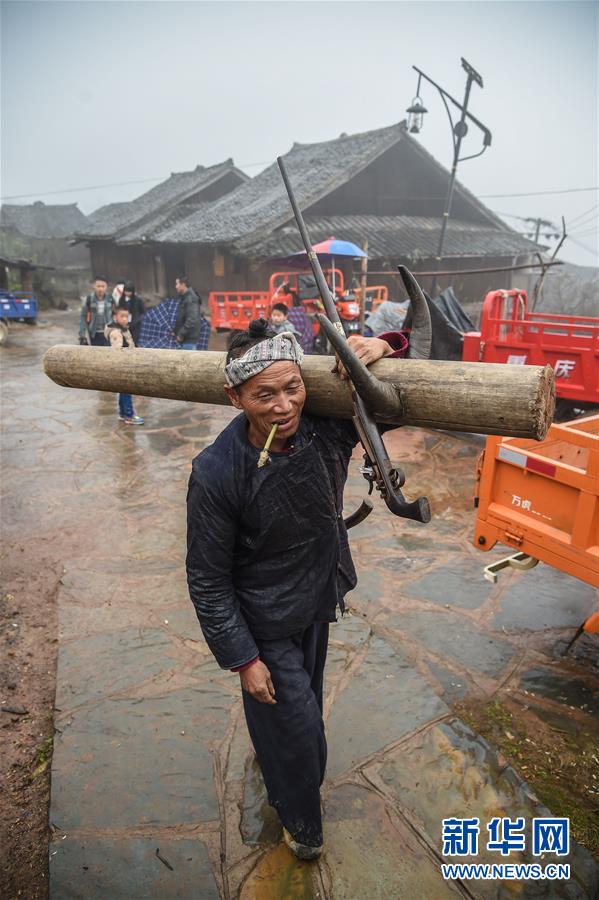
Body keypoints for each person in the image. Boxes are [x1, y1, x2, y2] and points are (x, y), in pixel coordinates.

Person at [186, 318, 408, 860]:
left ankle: (277, 755)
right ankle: (303, 825)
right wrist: (243, 659)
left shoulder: (326, 429)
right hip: (261, 620)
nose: (284, 406)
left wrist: (386, 345)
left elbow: (398, 399)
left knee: (289, 711)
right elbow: (208, 580)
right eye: (265, 394)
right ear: (234, 396)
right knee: (301, 729)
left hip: (314, 600)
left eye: (293, 388)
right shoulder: (216, 472)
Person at [104, 303, 144, 425]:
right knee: (126, 390)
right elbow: (118, 352)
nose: (125, 319)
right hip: (123, 366)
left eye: (127, 316)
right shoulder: (116, 332)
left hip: (124, 365)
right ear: (116, 317)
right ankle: (129, 415)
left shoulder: (123, 328)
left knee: (123, 391)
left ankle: (122, 414)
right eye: (122, 316)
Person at [79, 277, 114, 346]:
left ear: (106, 287)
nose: (100, 289)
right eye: (98, 286)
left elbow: (115, 314)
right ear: (94, 286)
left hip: (108, 332)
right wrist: (82, 334)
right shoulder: (88, 299)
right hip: (94, 333)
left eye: (103, 286)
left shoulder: (110, 299)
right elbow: (83, 317)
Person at [173, 275, 201, 349]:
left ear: (183, 284)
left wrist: (181, 334)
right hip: (185, 339)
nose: (176, 286)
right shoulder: (184, 297)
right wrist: (175, 331)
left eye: (177, 284)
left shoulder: (191, 298)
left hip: (189, 340)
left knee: (189, 360)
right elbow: (182, 316)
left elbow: (192, 319)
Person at [118, 281, 146, 345]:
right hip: (124, 323)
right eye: (126, 291)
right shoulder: (121, 299)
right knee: (124, 342)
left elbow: (143, 312)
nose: (127, 293)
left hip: (135, 324)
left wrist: (138, 320)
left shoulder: (138, 300)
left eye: (129, 291)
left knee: (135, 341)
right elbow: (119, 311)